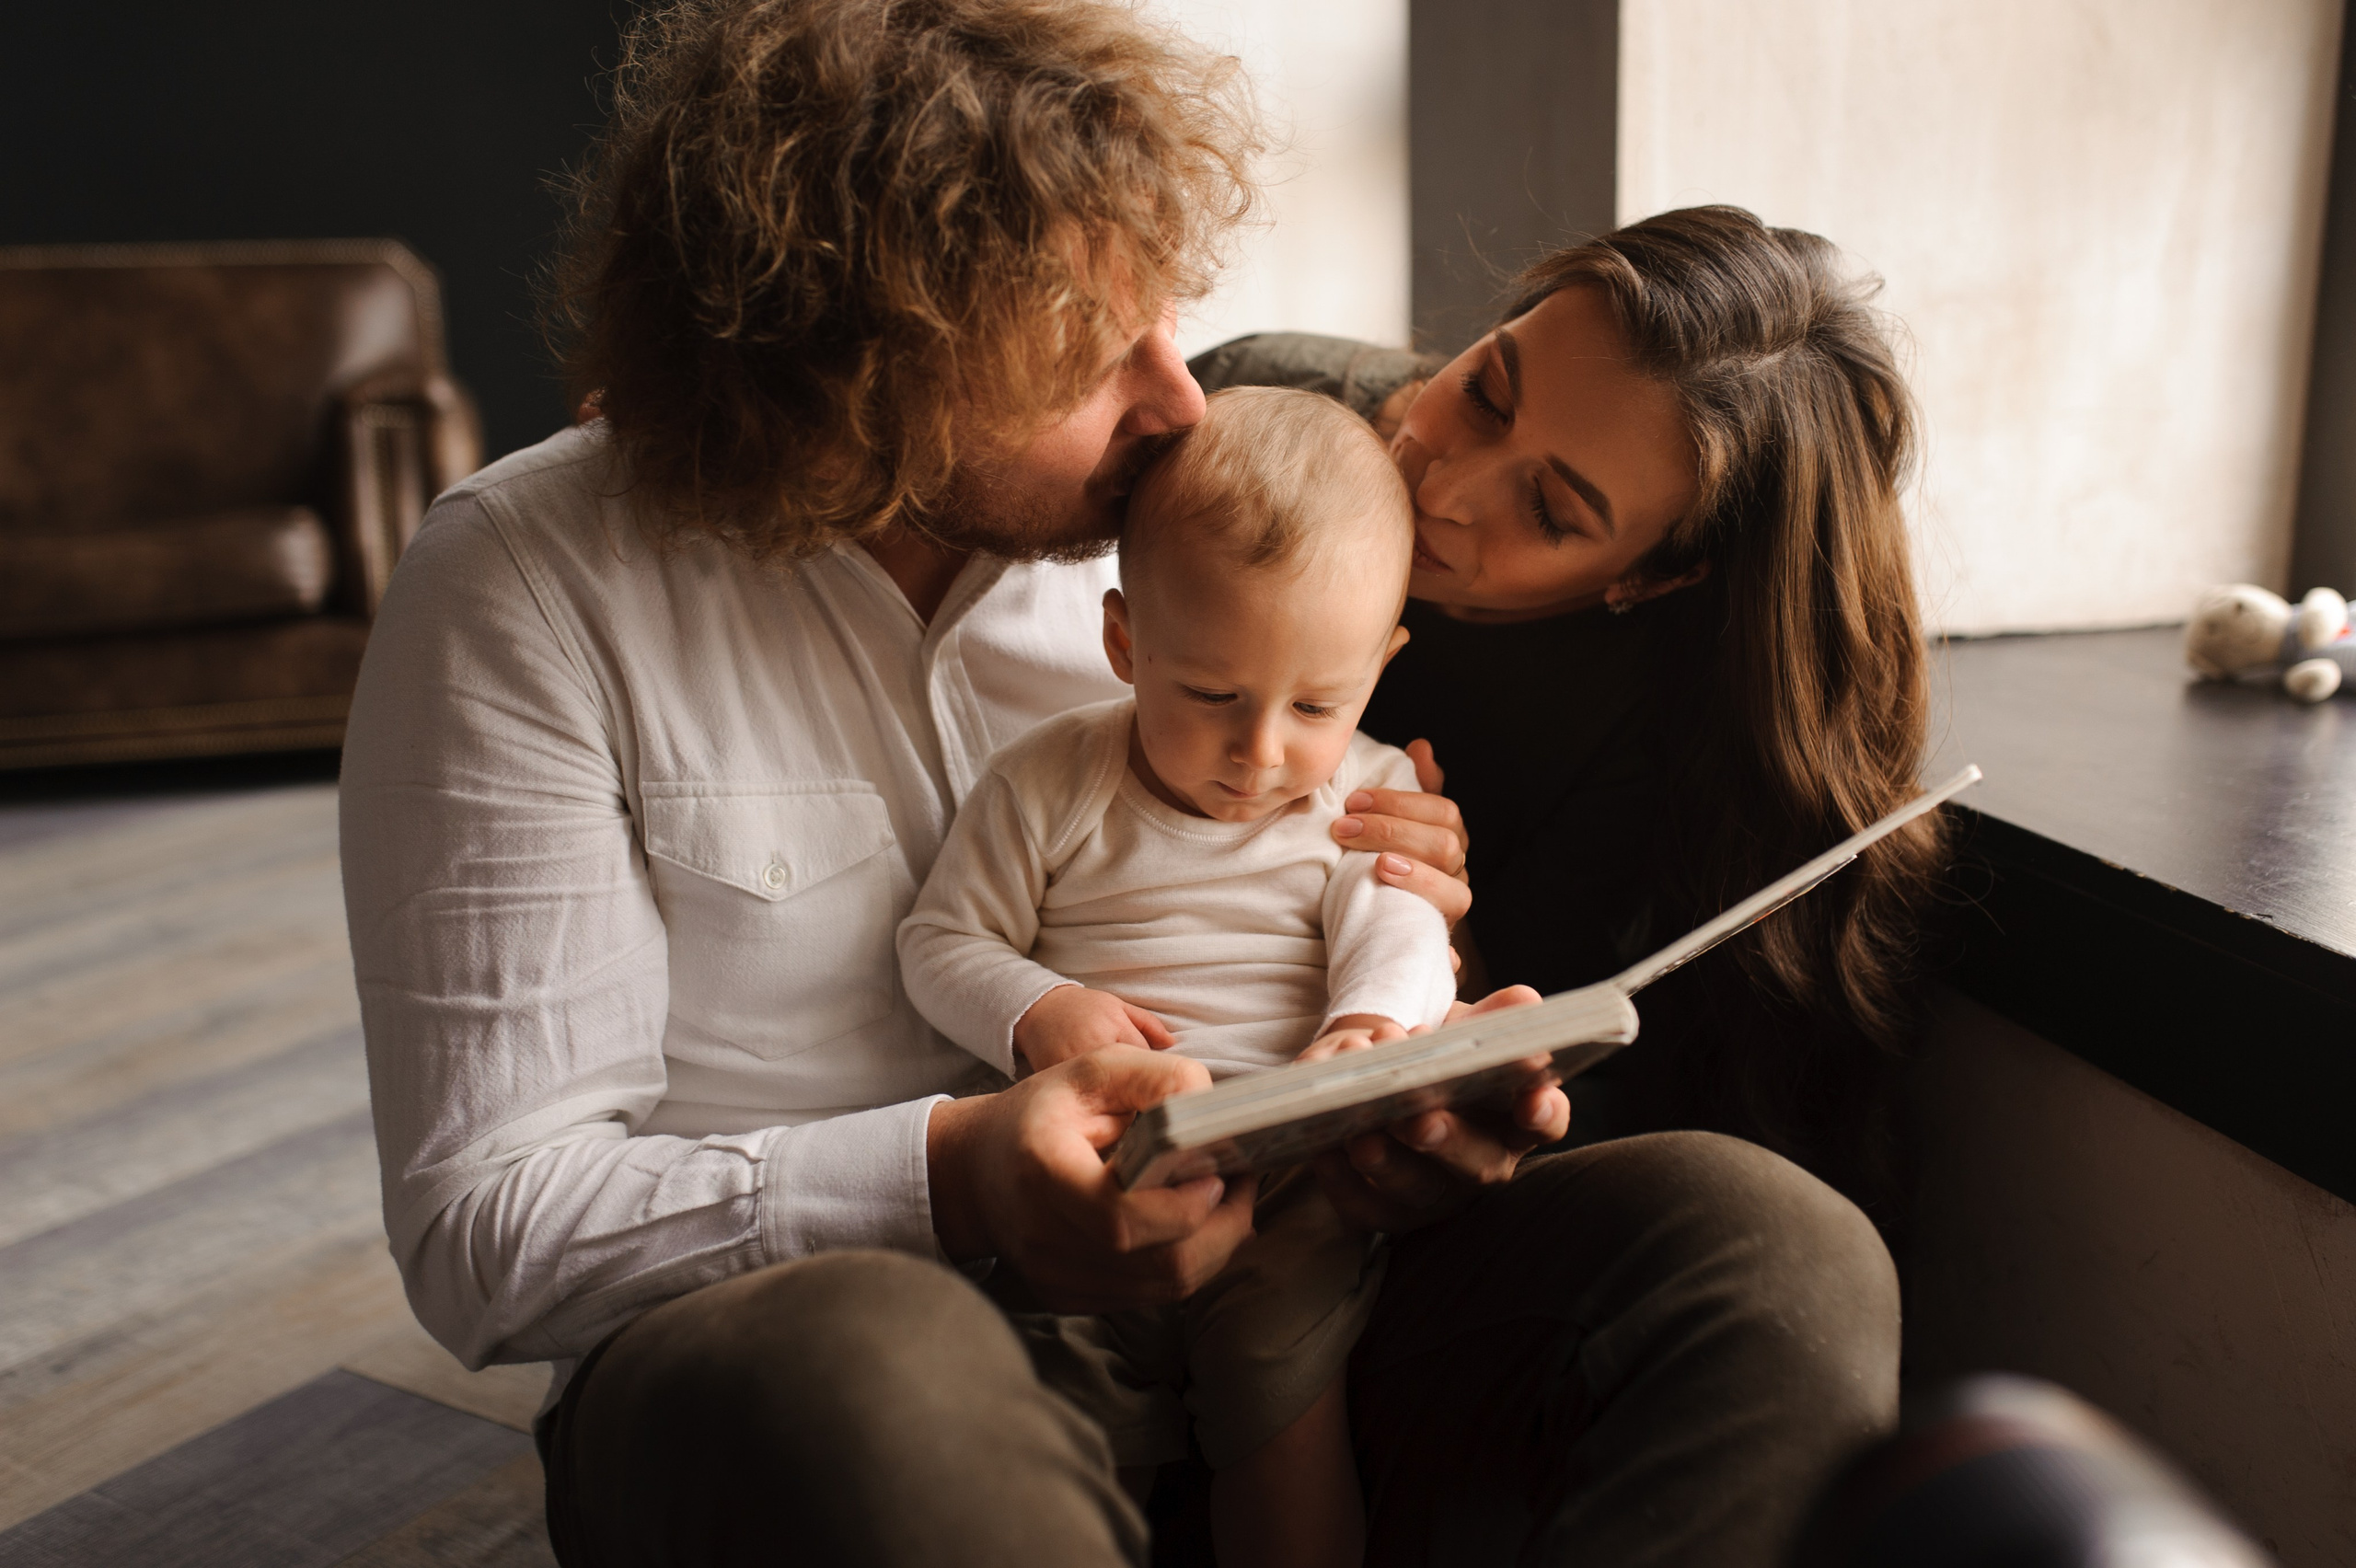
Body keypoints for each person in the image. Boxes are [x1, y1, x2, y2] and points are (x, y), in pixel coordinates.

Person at [337, 3, 1900, 1563]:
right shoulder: (527, 587)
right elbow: (489, 1238)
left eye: (1170, 316)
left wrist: (1404, 1068)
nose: (1183, 399)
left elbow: (1317, 880)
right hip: (802, 1355)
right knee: (875, 1378)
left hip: (1268, 1282)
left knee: (1773, 1250)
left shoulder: (1189, 526)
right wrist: (956, 1176)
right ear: (860, 365)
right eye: (1093, 356)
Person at [1191, 206, 1949, 1228]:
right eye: (1484, 390)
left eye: (1549, 512)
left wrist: (1450, 973)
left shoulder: (1663, 731)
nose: (1442, 486)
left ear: (1656, 575)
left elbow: (1573, 1064)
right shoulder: (1248, 409)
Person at [899, 385, 1455, 1568]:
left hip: (1293, 1176)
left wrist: (1368, 1023)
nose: (1260, 754)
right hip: (1097, 1167)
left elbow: (1400, 934)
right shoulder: (1049, 783)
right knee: (1060, 1407)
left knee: (1283, 1399)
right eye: (1209, 695)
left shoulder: (1361, 799)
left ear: (1382, 662)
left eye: (1315, 702)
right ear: (1123, 643)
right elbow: (939, 944)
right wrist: (1038, 1007)